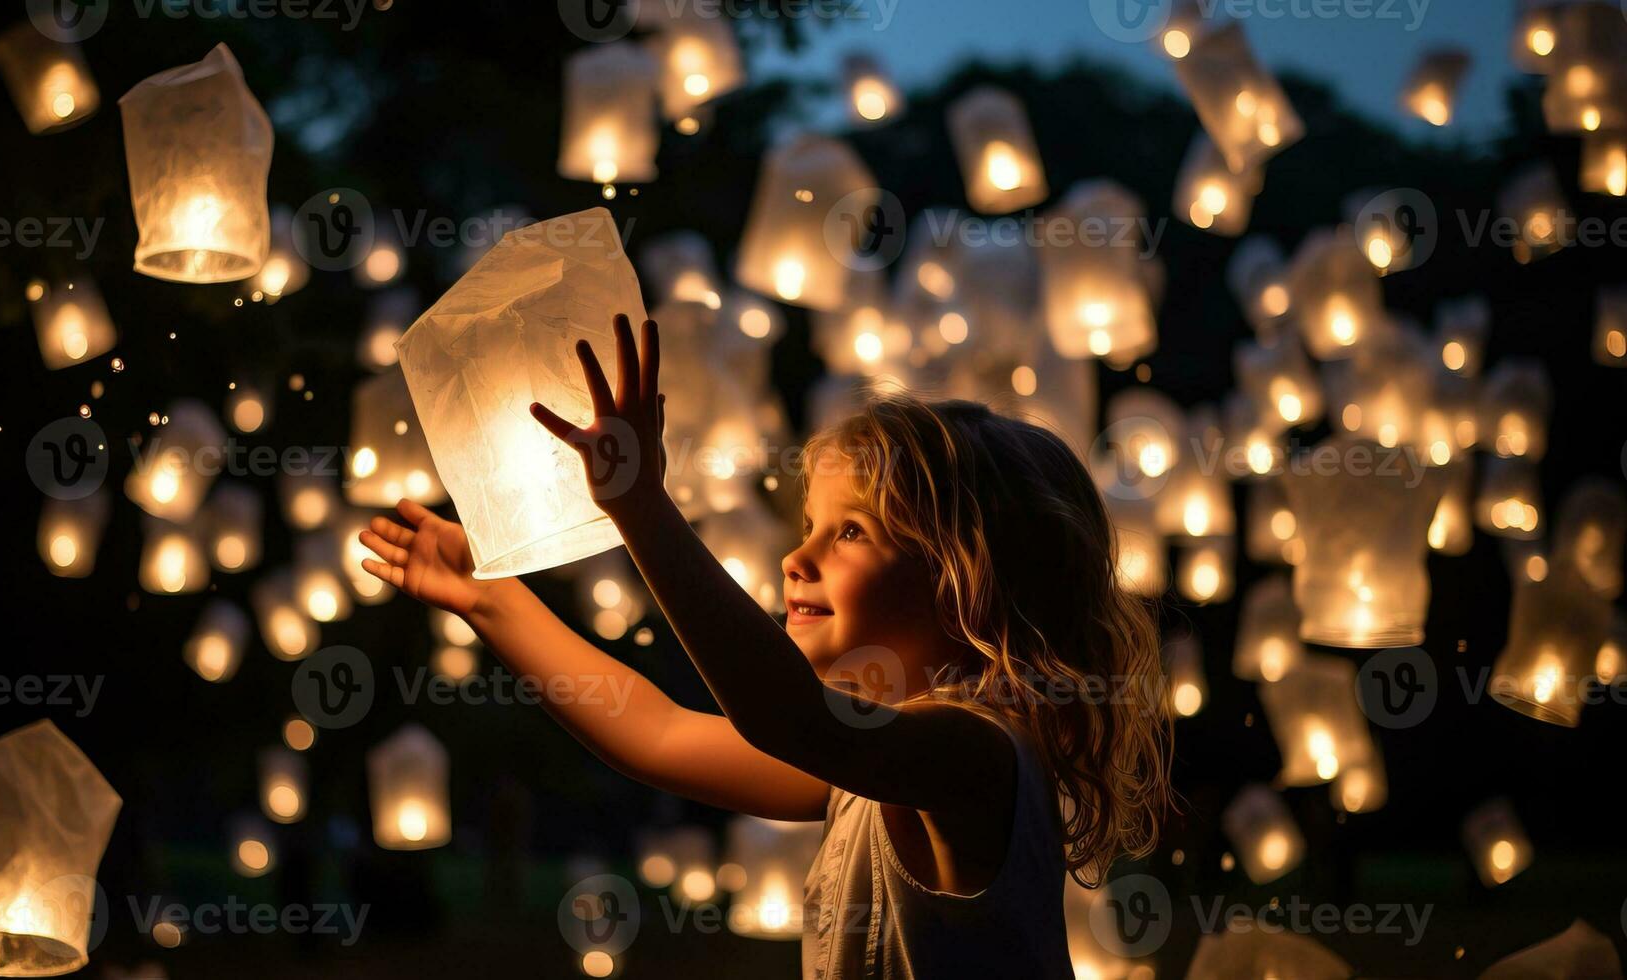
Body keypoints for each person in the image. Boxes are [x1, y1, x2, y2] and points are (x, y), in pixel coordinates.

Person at [359, 314, 1172, 978]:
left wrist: (642, 507)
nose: (797, 557)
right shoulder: (864, 767)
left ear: (971, 581)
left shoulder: (980, 758)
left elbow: (784, 713)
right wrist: (488, 596)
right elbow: (657, 731)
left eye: (850, 532)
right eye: (809, 525)